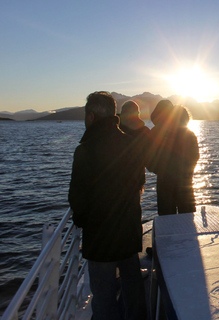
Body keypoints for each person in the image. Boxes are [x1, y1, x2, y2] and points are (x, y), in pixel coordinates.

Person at [68, 91, 147, 319]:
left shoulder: (85, 151)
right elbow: (139, 183)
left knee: (103, 297)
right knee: (133, 288)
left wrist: (83, 221)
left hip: (101, 238)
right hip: (128, 232)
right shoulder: (132, 144)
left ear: (91, 116)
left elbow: (78, 199)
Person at [147, 100, 199, 215]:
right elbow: (195, 157)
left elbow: (149, 157)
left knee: (166, 218)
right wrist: (186, 171)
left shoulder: (157, 132)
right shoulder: (189, 134)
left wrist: (160, 170)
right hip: (185, 183)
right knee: (187, 218)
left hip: (165, 183)